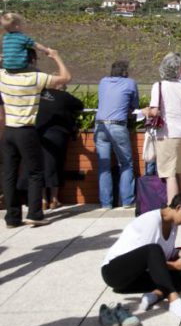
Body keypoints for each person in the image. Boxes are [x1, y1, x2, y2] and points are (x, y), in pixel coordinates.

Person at [101, 190, 181, 320]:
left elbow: (164, 254)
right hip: (114, 272)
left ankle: (155, 295)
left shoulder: (173, 225)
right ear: (178, 208)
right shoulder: (152, 220)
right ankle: (173, 299)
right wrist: (175, 265)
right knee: (153, 250)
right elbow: (149, 259)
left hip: (134, 278)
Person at [1, 47, 71, 228]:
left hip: (8, 129)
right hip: (26, 130)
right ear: (31, 61)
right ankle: (34, 213)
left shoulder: (4, 76)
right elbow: (65, 78)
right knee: (35, 172)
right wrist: (56, 56)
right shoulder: (36, 78)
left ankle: (12, 217)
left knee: (9, 173)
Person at [145, 53, 181, 205]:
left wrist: (143, 111)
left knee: (169, 174)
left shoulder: (158, 86)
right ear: (178, 70)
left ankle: (173, 206)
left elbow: (154, 111)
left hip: (167, 133)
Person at [95, 60, 140, 209]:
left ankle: (106, 203)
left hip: (100, 125)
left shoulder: (103, 81)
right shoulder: (130, 83)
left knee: (104, 166)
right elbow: (134, 106)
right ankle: (127, 201)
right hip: (118, 126)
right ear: (125, 72)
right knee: (126, 164)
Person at [36, 82, 84, 210]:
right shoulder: (64, 96)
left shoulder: (38, 94)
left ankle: (42, 200)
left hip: (38, 133)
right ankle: (54, 199)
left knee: (40, 166)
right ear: (59, 85)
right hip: (58, 134)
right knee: (57, 165)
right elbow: (80, 105)